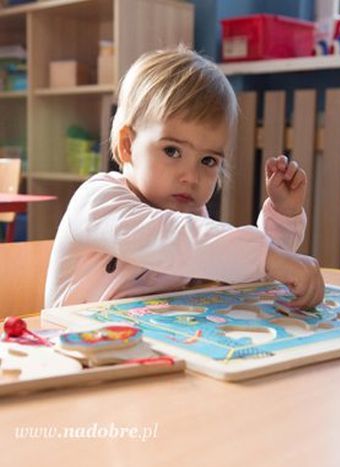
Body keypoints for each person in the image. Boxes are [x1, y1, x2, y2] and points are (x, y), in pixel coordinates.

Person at [45, 47, 324, 309]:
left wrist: (283, 218)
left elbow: (245, 276)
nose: (191, 176)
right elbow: (172, 238)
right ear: (128, 145)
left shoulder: (195, 219)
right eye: (172, 151)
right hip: (74, 351)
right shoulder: (97, 201)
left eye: (208, 160)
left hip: (154, 348)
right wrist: (268, 257)